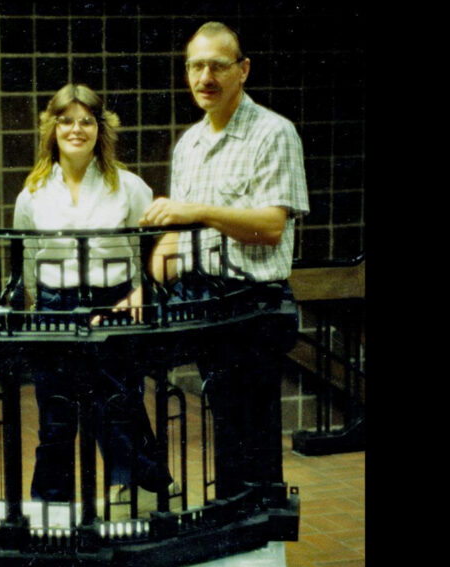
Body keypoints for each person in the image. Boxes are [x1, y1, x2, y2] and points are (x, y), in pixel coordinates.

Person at [141, 22, 309, 494]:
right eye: (195, 65)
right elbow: (178, 239)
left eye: (218, 65)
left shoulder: (274, 133)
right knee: (118, 362)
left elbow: (272, 227)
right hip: (203, 297)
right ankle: (148, 477)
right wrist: (143, 291)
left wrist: (197, 211)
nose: (205, 76)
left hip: (253, 301)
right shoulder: (189, 144)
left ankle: (252, 534)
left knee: (247, 435)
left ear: (243, 70)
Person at [13, 83, 172, 505]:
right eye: (66, 121)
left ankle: (135, 497)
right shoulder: (32, 192)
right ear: (52, 128)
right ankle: (52, 508)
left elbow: (150, 245)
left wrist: (139, 291)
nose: (76, 129)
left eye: (86, 121)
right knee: (56, 413)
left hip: (113, 302)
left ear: (101, 129)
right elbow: (29, 256)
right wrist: (39, 306)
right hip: (53, 306)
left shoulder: (130, 186)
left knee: (119, 405)